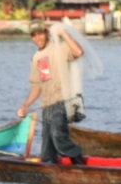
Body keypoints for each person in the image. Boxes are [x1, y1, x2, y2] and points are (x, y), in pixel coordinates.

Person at [17, 22, 86, 164]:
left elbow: (78, 52)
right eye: (34, 36)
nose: (38, 38)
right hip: (46, 106)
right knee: (47, 152)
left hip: (62, 102)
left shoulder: (58, 48)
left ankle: (79, 160)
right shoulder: (36, 57)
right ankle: (50, 176)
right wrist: (25, 106)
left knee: (58, 135)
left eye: (40, 34)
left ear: (46, 33)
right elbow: (37, 86)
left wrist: (64, 34)